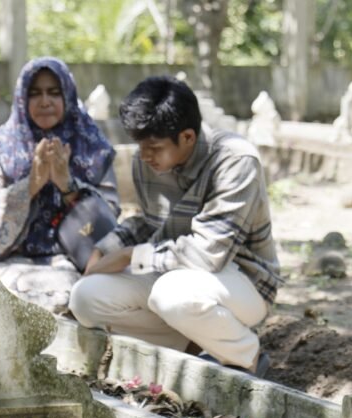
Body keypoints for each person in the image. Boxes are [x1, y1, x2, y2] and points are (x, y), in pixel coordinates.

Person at [69, 76, 281, 377]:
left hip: (242, 279)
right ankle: (190, 347)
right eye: (141, 146)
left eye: (154, 147)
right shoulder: (147, 161)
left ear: (188, 137)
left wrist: (129, 257)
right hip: (173, 272)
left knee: (171, 294)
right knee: (85, 297)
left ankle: (246, 356)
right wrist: (106, 249)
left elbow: (208, 255)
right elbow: (149, 221)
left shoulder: (235, 161)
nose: (144, 156)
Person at [0, 57, 119, 314]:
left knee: (76, 301)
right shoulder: (0, 147)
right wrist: (31, 185)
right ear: (22, 99)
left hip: (74, 261)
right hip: (8, 260)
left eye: (53, 92)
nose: (45, 101)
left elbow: (111, 217)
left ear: (67, 96)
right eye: (35, 93)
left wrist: (67, 185)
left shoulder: (93, 147)